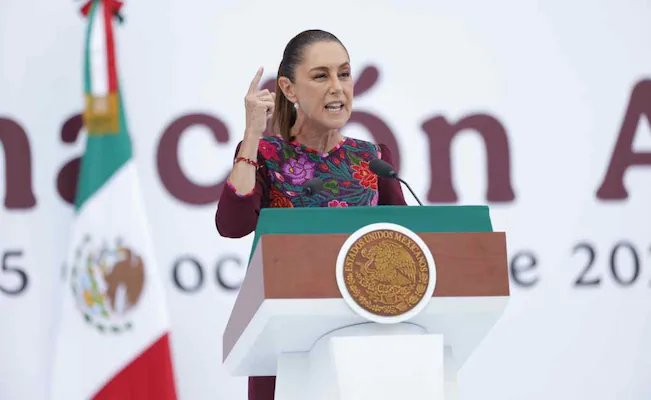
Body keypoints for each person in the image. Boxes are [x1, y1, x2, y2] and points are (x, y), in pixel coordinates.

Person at [214, 29, 407, 400]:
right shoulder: (265, 155)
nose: (337, 87)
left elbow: (405, 242)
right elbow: (232, 225)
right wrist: (252, 136)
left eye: (344, 74)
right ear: (288, 89)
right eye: (321, 76)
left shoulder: (372, 158)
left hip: (364, 345)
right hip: (284, 345)